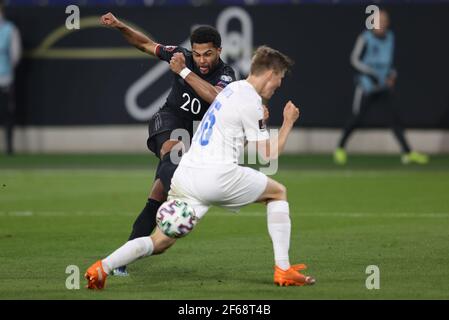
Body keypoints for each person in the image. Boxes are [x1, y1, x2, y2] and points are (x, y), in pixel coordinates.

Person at [85, 46, 316, 289]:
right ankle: (283, 269)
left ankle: (101, 268)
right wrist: (288, 122)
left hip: (186, 175)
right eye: (279, 79)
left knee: (160, 241)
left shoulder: (230, 90)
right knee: (278, 192)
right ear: (270, 73)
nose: (278, 85)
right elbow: (269, 155)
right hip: (217, 176)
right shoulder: (250, 100)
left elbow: (233, 139)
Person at [100, 13, 236, 275]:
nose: (201, 60)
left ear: (219, 51)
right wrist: (120, 26)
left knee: (156, 196)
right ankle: (183, 199)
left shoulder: (226, 74)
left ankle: (120, 262)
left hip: (194, 134)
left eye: (208, 54)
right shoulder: (180, 55)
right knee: (173, 152)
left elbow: (217, 99)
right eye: (197, 54)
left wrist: (183, 71)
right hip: (169, 120)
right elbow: (145, 45)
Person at [334, 9, 428, 165]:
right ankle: (340, 148)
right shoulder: (365, 38)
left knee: (394, 119)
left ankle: (407, 153)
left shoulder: (391, 37)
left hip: (383, 87)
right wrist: (371, 74)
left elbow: (390, 62)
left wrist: (392, 75)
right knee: (356, 119)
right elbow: (354, 60)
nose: (382, 24)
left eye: (384, 21)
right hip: (366, 87)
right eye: (379, 21)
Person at [0, 2, 21, 155]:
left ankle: (9, 148)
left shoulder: (9, 29)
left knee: (7, 113)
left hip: (5, 77)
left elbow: (15, 54)